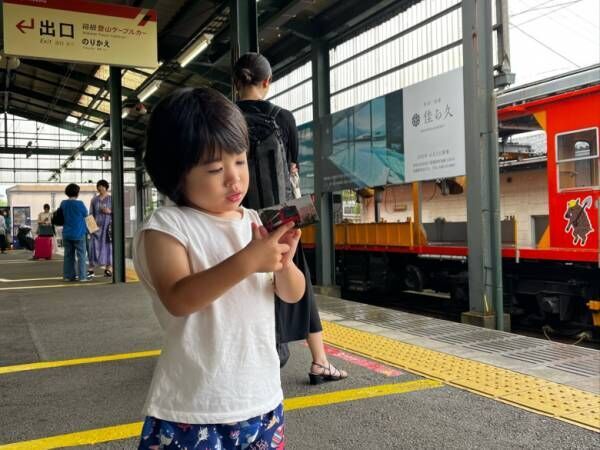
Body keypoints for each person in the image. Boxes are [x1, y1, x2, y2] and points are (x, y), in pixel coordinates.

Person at [134, 87, 305, 449]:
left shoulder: (255, 221)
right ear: (175, 174)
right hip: (194, 409)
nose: (234, 179)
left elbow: (293, 293)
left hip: (262, 399)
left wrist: (283, 265)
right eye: (215, 169)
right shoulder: (166, 227)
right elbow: (178, 298)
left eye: (240, 161)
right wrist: (249, 260)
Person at [234, 52, 348, 384]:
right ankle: (319, 361)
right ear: (267, 83)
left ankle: (239, 356)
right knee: (296, 280)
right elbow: (292, 170)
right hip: (278, 220)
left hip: (237, 218)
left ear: (235, 82)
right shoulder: (283, 117)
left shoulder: (223, 117)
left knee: (238, 282)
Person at [60, 183, 89, 282]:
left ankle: (68, 276)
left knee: (68, 256)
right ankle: (82, 277)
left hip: (67, 234)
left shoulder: (63, 203)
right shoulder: (80, 204)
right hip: (79, 233)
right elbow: (86, 214)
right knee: (81, 256)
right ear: (77, 193)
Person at [88, 179, 113, 277]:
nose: (100, 189)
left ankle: (108, 268)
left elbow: (118, 212)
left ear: (106, 187)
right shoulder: (94, 200)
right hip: (96, 228)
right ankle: (91, 268)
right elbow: (90, 214)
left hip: (108, 228)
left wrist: (109, 211)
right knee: (93, 247)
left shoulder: (112, 199)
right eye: (98, 187)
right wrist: (92, 229)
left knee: (108, 247)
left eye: (102, 187)